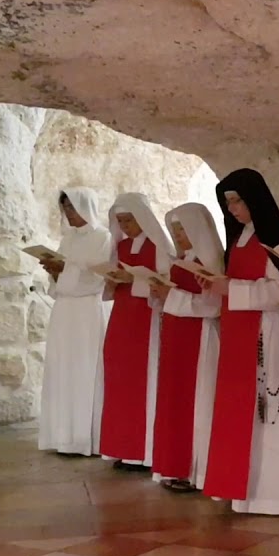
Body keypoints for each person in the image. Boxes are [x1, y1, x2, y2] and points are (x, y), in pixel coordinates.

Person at [199, 168, 279, 515]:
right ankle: (246, 489)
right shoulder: (239, 239)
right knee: (245, 415)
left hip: (270, 334)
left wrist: (230, 288)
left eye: (237, 200)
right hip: (243, 336)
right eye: (227, 202)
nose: (231, 208)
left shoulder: (270, 238)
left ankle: (276, 495)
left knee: (271, 413)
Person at [150, 202, 225, 493]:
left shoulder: (211, 261)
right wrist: (160, 293)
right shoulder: (179, 261)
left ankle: (196, 469)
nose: (178, 235)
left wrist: (173, 295)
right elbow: (168, 300)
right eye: (174, 230)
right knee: (174, 401)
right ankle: (174, 466)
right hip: (176, 338)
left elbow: (212, 306)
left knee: (198, 401)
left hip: (200, 336)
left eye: (182, 229)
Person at [98, 193, 174, 473]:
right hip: (122, 317)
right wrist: (113, 279)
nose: (125, 226)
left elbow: (165, 281)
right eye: (120, 222)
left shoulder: (157, 245)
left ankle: (144, 451)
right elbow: (112, 285)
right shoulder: (121, 246)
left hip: (147, 317)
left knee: (145, 378)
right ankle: (123, 447)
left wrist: (137, 280)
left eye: (129, 220)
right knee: (120, 379)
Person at [38, 187, 113, 456]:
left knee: (86, 368)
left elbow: (98, 278)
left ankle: (86, 437)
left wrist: (65, 269)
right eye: (65, 208)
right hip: (65, 311)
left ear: (85, 207)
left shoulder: (103, 237)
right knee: (63, 367)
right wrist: (54, 271)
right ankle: (62, 435)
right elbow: (65, 277)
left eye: (72, 207)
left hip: (88, 311)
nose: (68, 213)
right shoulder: (68, 239)